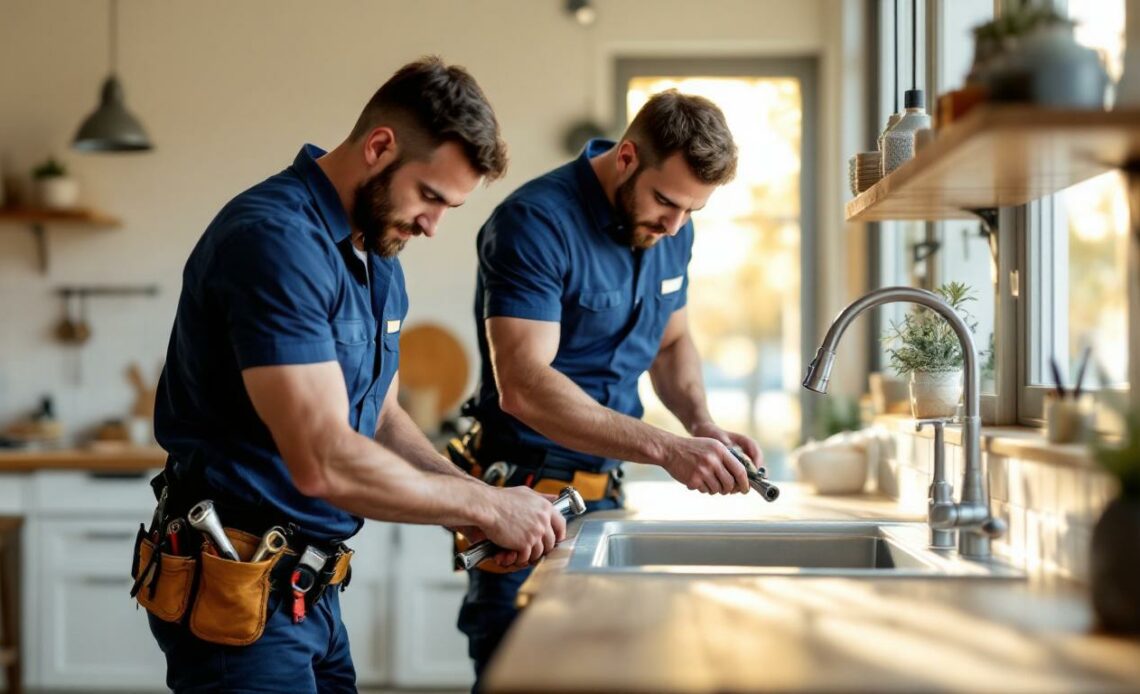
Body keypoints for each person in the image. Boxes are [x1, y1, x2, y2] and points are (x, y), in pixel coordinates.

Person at [136, 57, 566, 693]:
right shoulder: (274, 240)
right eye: (429, 196)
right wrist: (486, 501)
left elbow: (380, 416)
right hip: (239, 594)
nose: (433, 225)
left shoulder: (376, 249)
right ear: (380, 146)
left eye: (450, 206)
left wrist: (466, 505)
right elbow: (324, 462)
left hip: (309, 593)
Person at [453, 89, 763, 688]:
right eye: (667, 202)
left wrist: (700, 423)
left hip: (607, 505)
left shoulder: (673, 229)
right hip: (526, 509)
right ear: (626, 159)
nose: (674, 225)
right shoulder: (535, 223)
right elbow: (523, 386)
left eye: (691, 212)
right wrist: (669, 449)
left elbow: (671, 343)